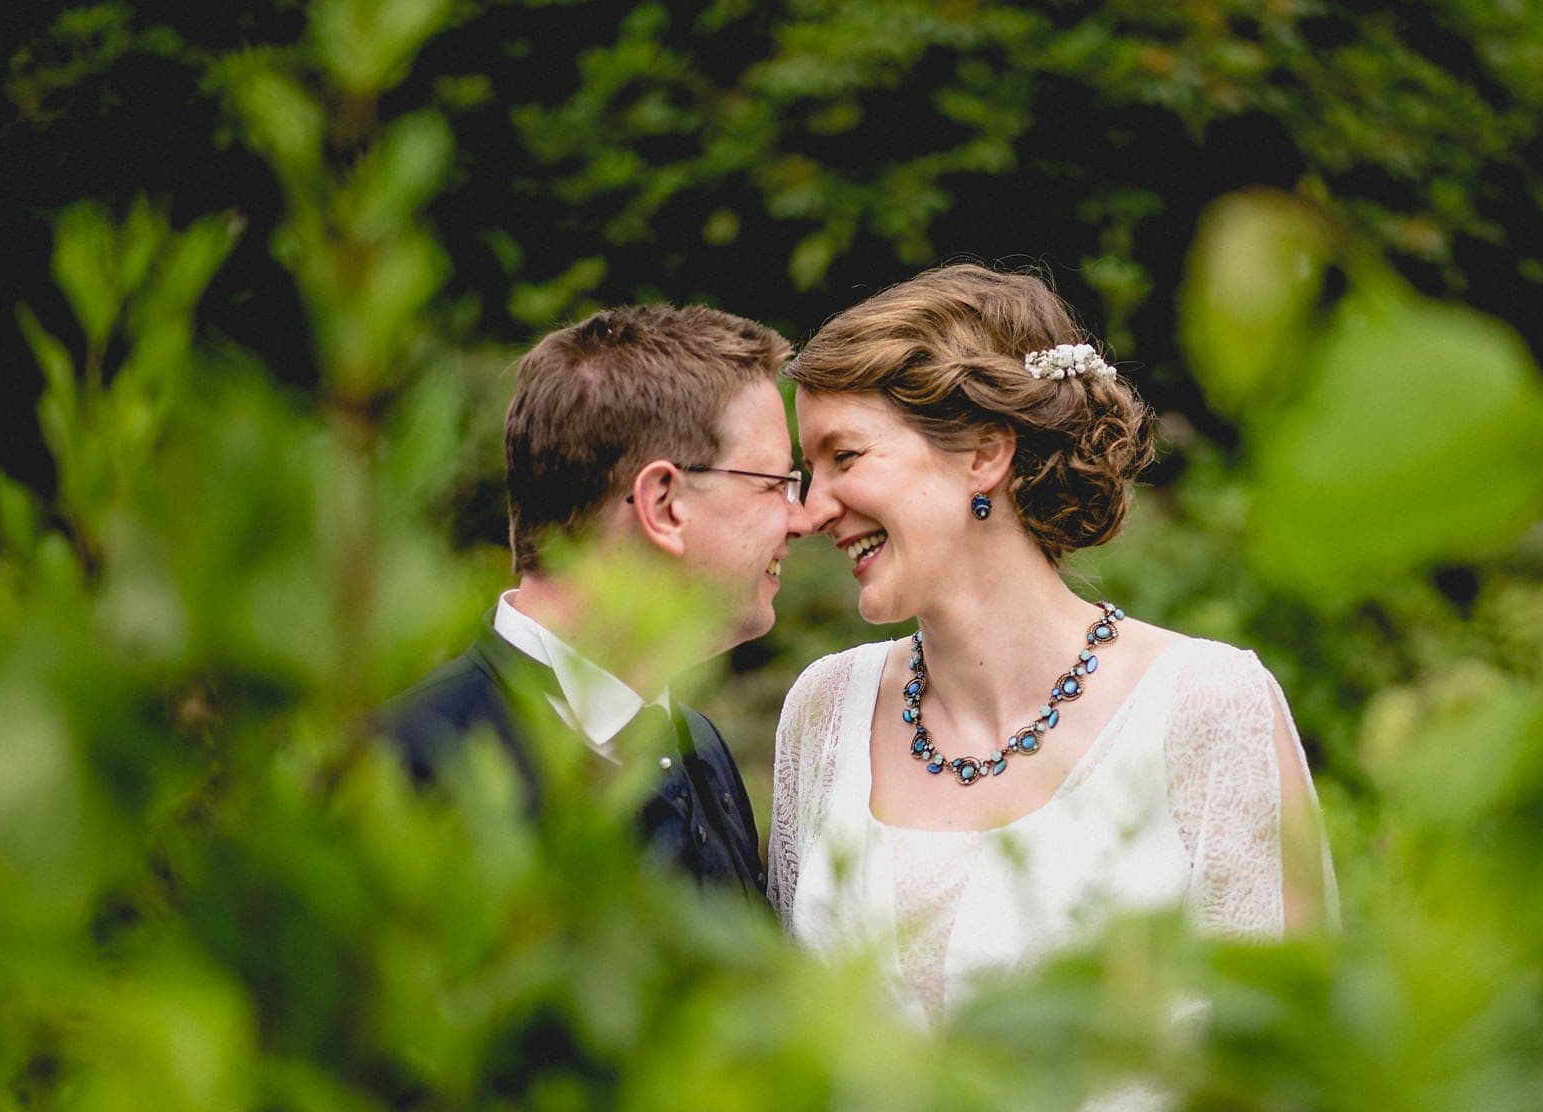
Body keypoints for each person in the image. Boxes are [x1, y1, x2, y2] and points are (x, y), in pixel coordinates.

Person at [771, 264, 1334, 1021]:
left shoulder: (1206, 704)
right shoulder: (825, 710)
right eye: (807, 471)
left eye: (844, 458)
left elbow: (1289, 1051)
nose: (809, 511)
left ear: (984, 454)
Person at [379, 304, 811, 898]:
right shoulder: (406, 770)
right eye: (773, 485)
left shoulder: (699, 749)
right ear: (663, 504)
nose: (803, 517)